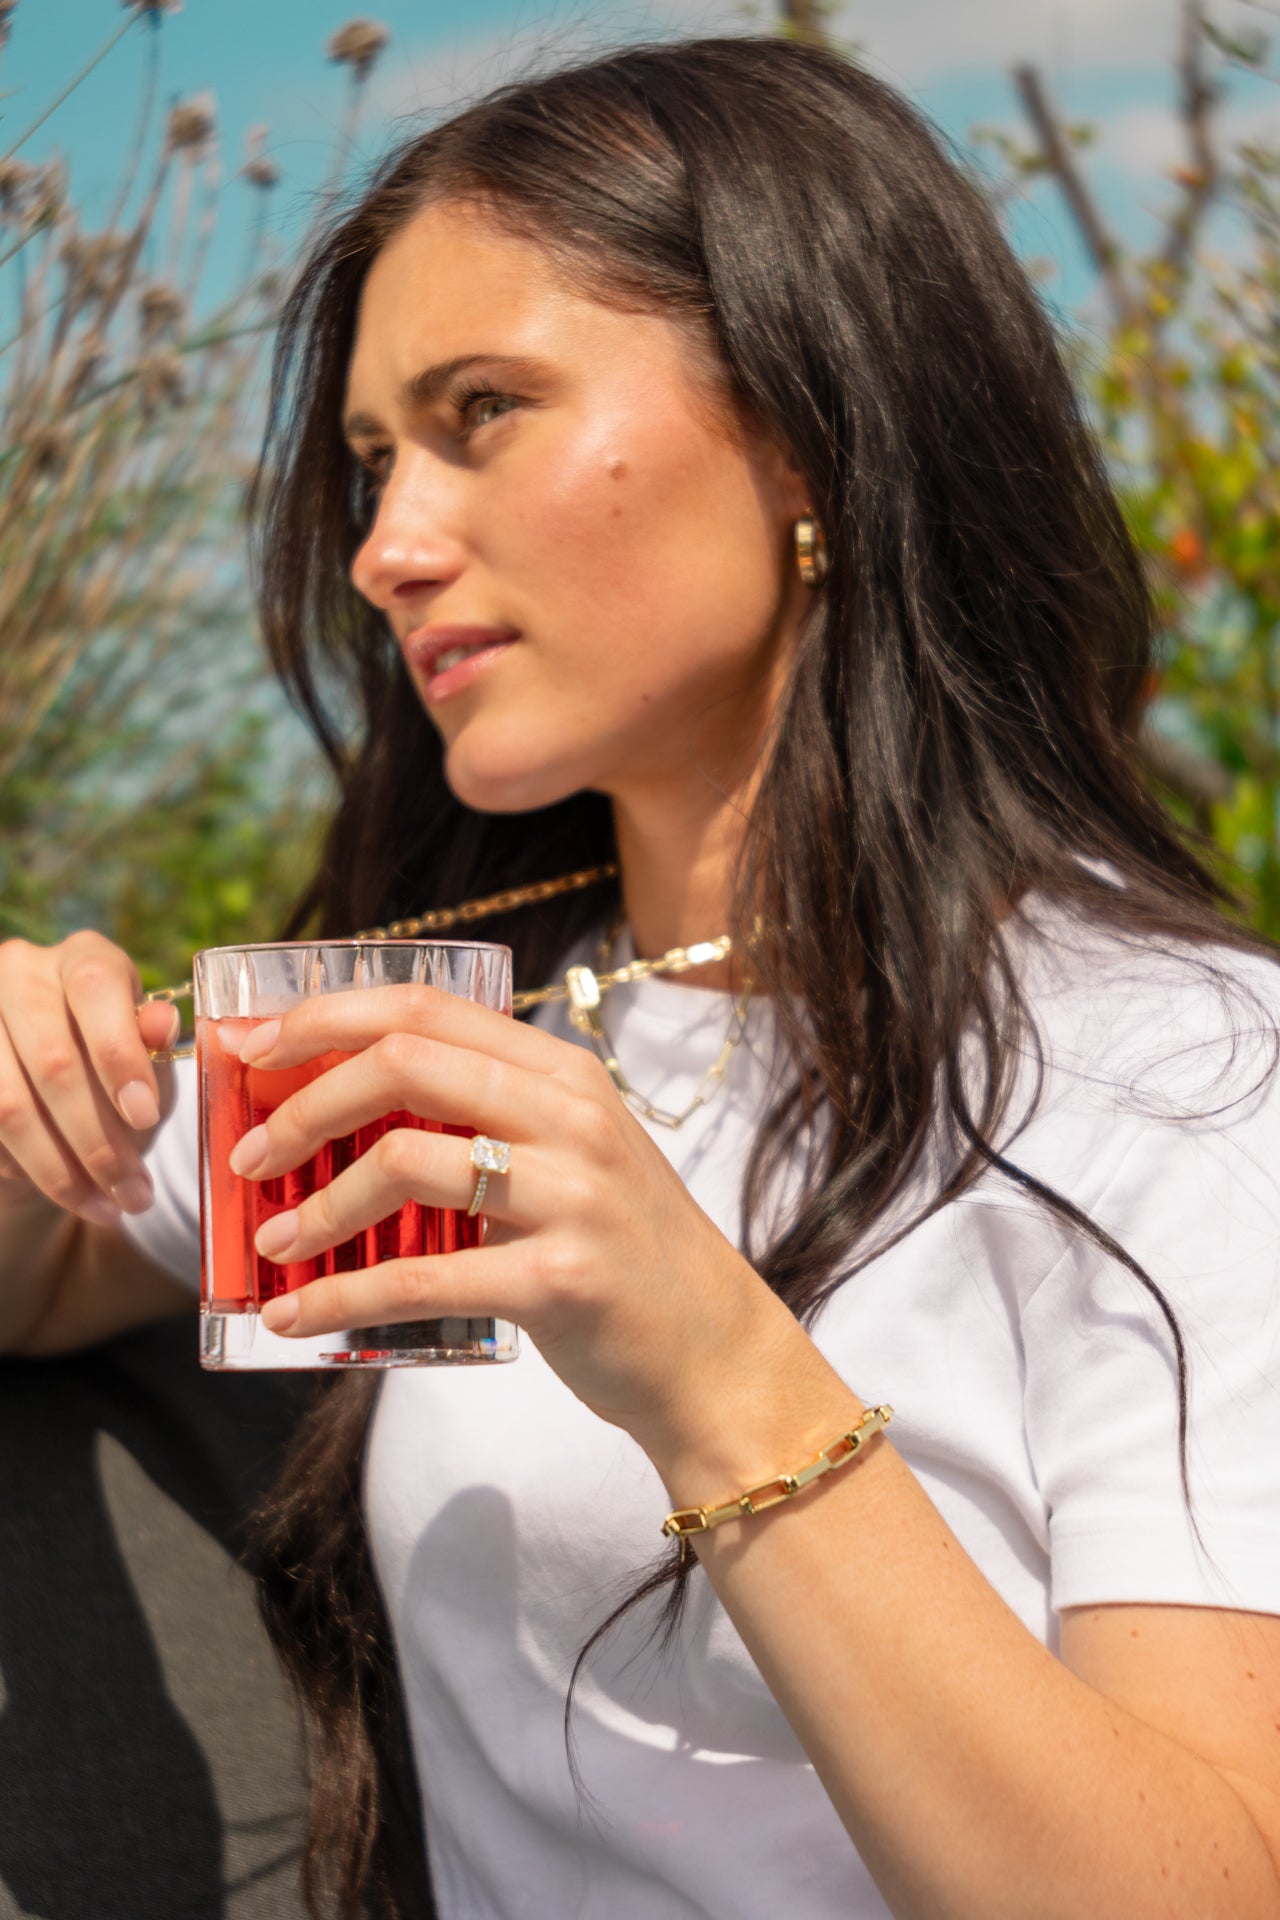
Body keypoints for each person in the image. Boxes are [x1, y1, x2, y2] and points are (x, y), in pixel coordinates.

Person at [2, 33, 1279, 1920]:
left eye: (485, 410)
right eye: (370, 459)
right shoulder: (456, 1015)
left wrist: (715, 1372)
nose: (384, 549)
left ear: (809, 424)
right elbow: (41, 1272)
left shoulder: (1180, 1071)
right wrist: (33, 1072)